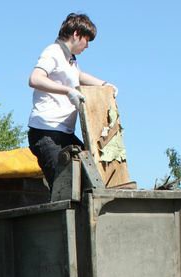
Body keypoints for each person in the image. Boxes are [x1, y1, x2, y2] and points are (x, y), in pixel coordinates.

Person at [27, 13, 117, 187]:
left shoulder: (70, 60)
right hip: (47, 134)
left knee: (93, 178)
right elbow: (35, 79)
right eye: (87, 40)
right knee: (64, 188)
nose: (87, 46)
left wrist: (105, 86)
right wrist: (68, 91)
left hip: (64, 135)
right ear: (76, 34)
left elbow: (78, 76)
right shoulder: (53, 52)